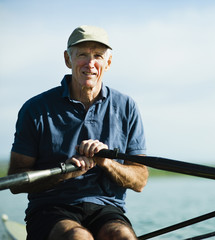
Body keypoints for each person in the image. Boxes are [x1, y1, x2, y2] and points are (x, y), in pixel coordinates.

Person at [7, 25, 148, 240]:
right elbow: (15, 181)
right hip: (50, 207)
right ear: (67, 59)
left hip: (107, 208)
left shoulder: (126, 106)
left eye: (98, 56)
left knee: (122, 236)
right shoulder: (35, 109)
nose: (90, 64)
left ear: (108, 63)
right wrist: (67, 172)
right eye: (82, 54)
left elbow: (140, 180)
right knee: (78, 237)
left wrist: (106, 163)